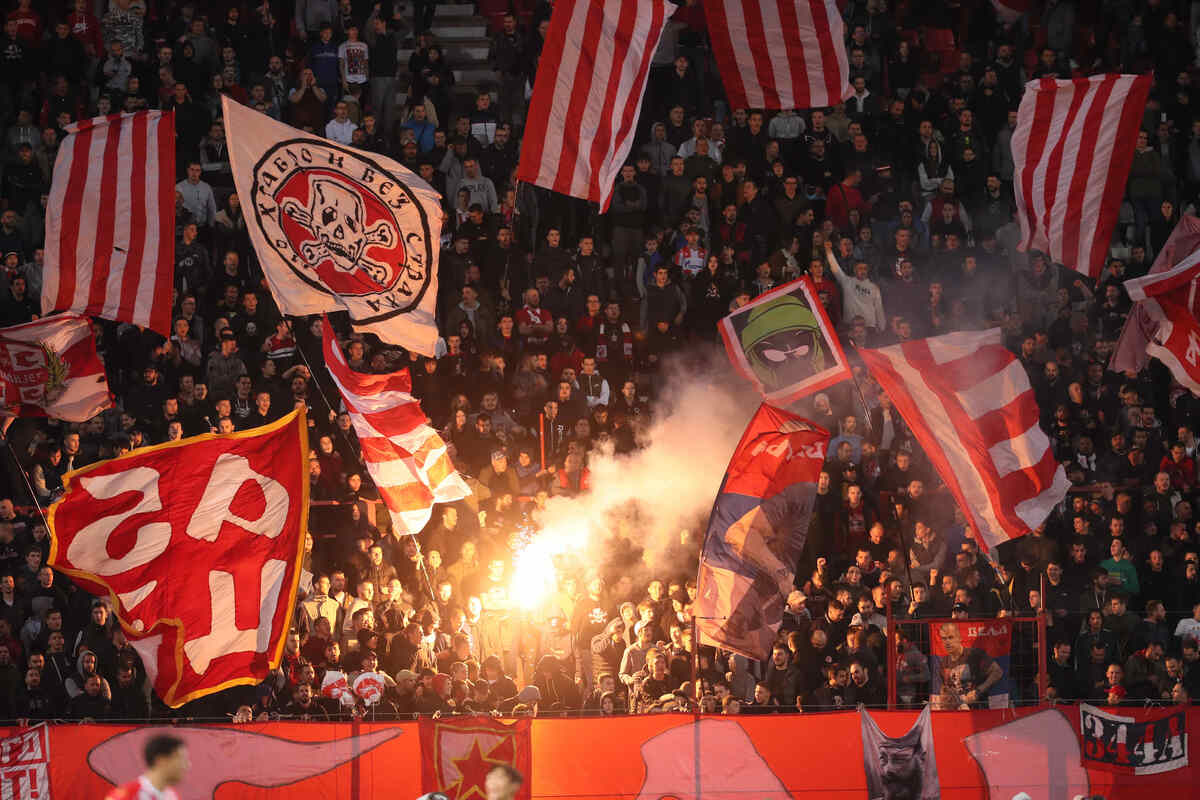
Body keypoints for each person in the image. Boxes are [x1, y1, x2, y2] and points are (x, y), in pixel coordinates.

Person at [104, 734, 189, 800]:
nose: (187, 765)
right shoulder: (127, 795)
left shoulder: (171, 796)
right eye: (181, 759)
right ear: (162, 760)